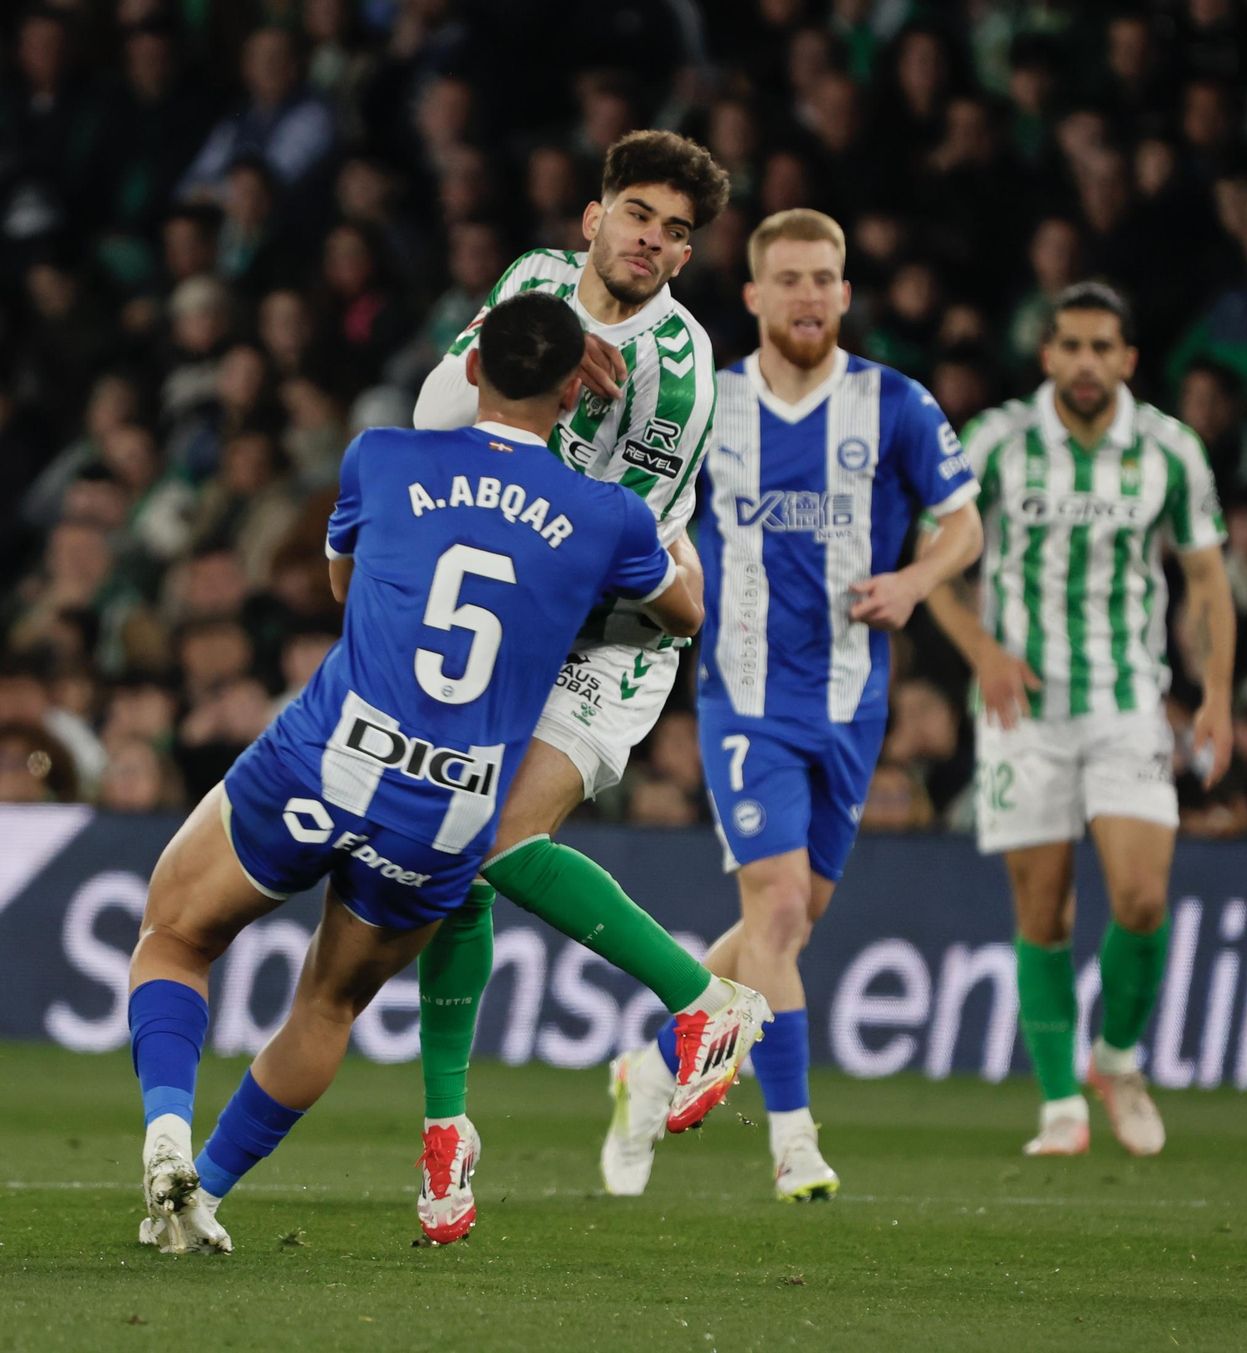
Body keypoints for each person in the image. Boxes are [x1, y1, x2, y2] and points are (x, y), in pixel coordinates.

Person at [124, 292, 767, 1256]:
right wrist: (658, 532)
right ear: (570, 395)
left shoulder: (380, 457)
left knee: (175, 934)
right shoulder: (608, 518)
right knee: (330, 1005)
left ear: (470, 370)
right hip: (451, 801)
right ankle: (208, 1188)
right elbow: (683, 614)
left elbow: (346, 588)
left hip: (332, 754)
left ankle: (169, 1132)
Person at [600, 208, 983, 1202]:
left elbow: (964, 524)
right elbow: (641, 514)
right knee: (772, 909)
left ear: (845, 293)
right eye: (790, 279)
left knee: (789, 926)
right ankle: (793, 1141)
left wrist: (913, 582)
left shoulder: (894, 406)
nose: (808, 295)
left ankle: (649, 1062)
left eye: (825, 279)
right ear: (755, 295)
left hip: (854, 707)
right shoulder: (709, 407)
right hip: (744, 700)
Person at [406, 131, 745, 1243]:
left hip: (610, 633)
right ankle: (447, 1130)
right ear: (592, 216)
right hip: (511, 611)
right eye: (641, 215)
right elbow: (432, 420)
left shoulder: (678, 374)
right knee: (448, 857)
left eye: (679, 233)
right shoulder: (533, 283)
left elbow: (609, 551)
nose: (655, 242)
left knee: (493, 837)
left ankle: (703, 1004)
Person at [926, 281, 1237, 1159]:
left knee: (1141, 897)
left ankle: (1119, 1058)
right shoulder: (996, 440)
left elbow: (1208, 579)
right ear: (1048, 354)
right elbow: (933, 558)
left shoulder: (1171, 449)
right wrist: (981, 650)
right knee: (1044, 910)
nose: (1088, 363)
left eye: (1104, 347)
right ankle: (1061, 1103)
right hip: (1021, 706)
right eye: (1072, 346)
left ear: (1130, 359)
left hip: (1128, 698)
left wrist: (1216, 689)